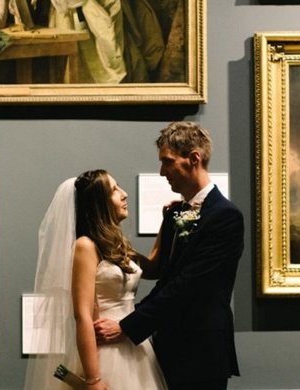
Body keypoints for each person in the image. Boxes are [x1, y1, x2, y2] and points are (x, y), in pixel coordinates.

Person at [94, 121, 245, 390]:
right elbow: (159, 270)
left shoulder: (225, 216)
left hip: (201, 351)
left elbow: (188, 284)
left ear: (193, 158)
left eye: (167, 161)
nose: (162, 171)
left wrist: (128, 325)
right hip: (167, 345)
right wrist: (110, 244)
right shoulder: (176, 214)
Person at [24, 170, 168, 390]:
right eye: (114, 190)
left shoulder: (117, 244)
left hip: (133, 346)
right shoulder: (85, 246)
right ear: (99, 203)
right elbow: (81, 314)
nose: (124, 194)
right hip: (105, 351)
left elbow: (153, 268)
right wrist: (93, 379)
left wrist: (166, 225)